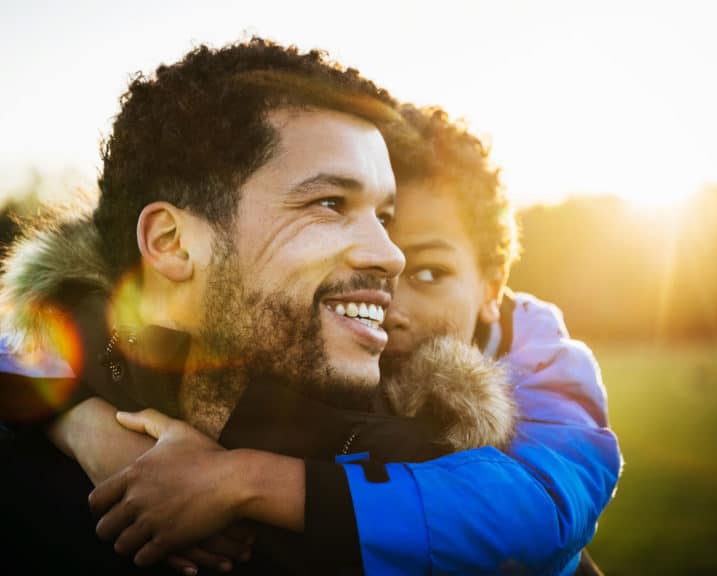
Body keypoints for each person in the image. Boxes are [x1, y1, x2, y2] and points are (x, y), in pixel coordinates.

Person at [2, 40, 621, 575]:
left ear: (494, 286)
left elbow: (537, 512)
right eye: (329, 203)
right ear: (169, 243)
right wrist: (84, 423)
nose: (392, 262)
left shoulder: (454, 435)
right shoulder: (70, 383)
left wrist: (242, 480)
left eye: (384, 217)